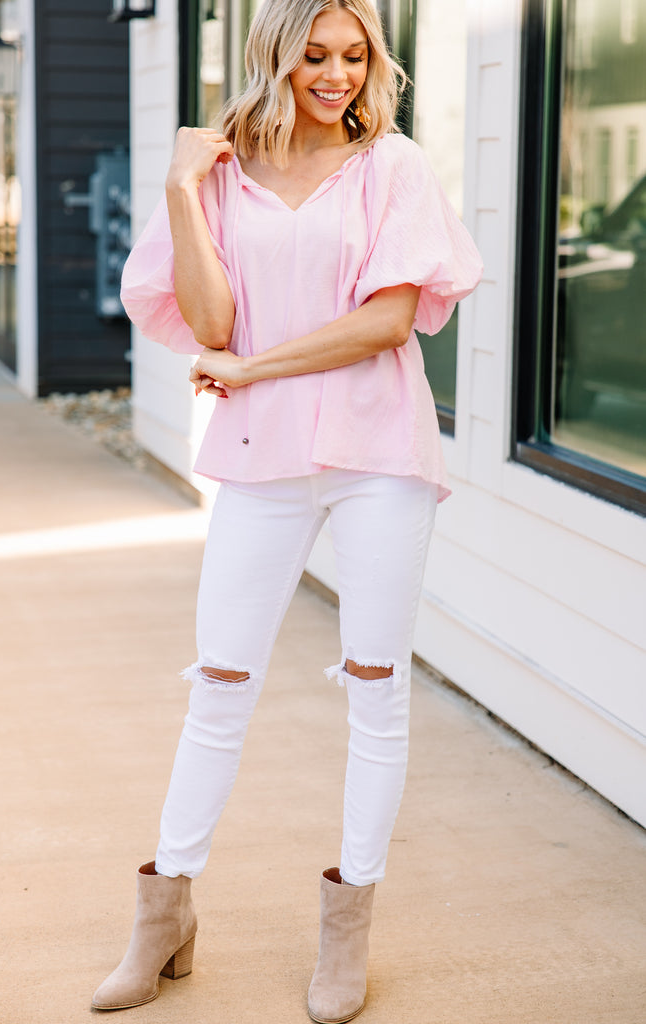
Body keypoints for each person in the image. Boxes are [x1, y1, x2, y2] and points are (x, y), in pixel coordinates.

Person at [91, 0, 482, 1020]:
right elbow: (209, 319)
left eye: (355, 56)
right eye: (315, 54)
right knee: (218, 679)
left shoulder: (392, 167)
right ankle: (162, 917)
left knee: (373, 687)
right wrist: (181, 184)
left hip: (378, 456)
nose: (337, 74)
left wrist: (253, 365)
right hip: (265, 459)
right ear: (274, 54)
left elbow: (385, 322)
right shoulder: (217, 176)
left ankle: (345, 929)